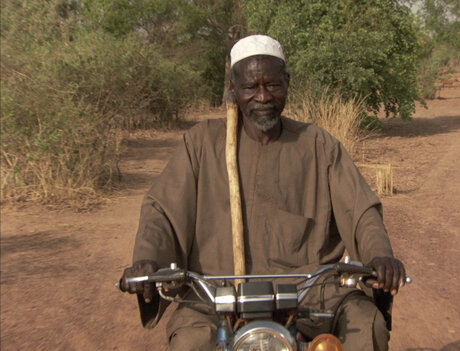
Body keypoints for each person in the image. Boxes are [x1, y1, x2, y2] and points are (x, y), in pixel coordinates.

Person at [120, 34, 406, 351]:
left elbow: (361, 210)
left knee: (366, 324)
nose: (262, 96)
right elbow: (161, 212)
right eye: (250, 87)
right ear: (232, 88)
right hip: (216, 290)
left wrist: (380, 255)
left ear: (287, 82)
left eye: (272, 85)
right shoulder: (200, 144)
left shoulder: (317, 145)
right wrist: (146, 260)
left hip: (309, 288)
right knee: (189, 341)